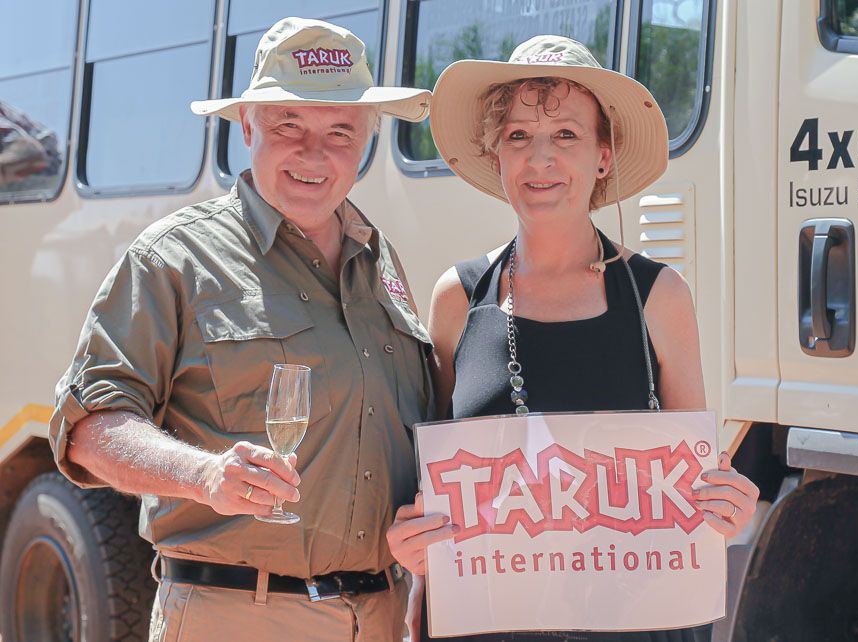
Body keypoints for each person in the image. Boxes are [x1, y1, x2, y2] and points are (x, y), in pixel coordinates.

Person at [48, 18, 432, 642]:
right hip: (235, 618)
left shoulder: (379, 262)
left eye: (340, 131)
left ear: (368, 139)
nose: (315, 154)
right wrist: (205, 477)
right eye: (289, 126)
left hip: (381, 614)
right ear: (247, 125)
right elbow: (90, 431)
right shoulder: (174, 257)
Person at [385, 35, 761, 642]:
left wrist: (726, 505)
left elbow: (697, 479)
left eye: (565, 135)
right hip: (488, 626)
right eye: (518, 138)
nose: (540, 160)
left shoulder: (658, 296)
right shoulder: (458, 298)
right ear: (497, 157)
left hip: (634, 626)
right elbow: (438, 486)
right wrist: (416, 553)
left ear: (603, 157)